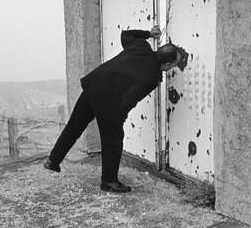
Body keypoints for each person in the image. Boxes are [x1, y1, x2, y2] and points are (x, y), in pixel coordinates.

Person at [44, 25, 186, 193]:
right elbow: (129, 99)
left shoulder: (141, 46)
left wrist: (148, 33)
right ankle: (108, 181)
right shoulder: (151, 77)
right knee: (113, 141)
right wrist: (118, 118)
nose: (174, 68)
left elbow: (126, 34)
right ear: (167, 63)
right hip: (108, 100)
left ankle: (53, 160)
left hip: (94, 85)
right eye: (174, 65)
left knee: (74, 126)